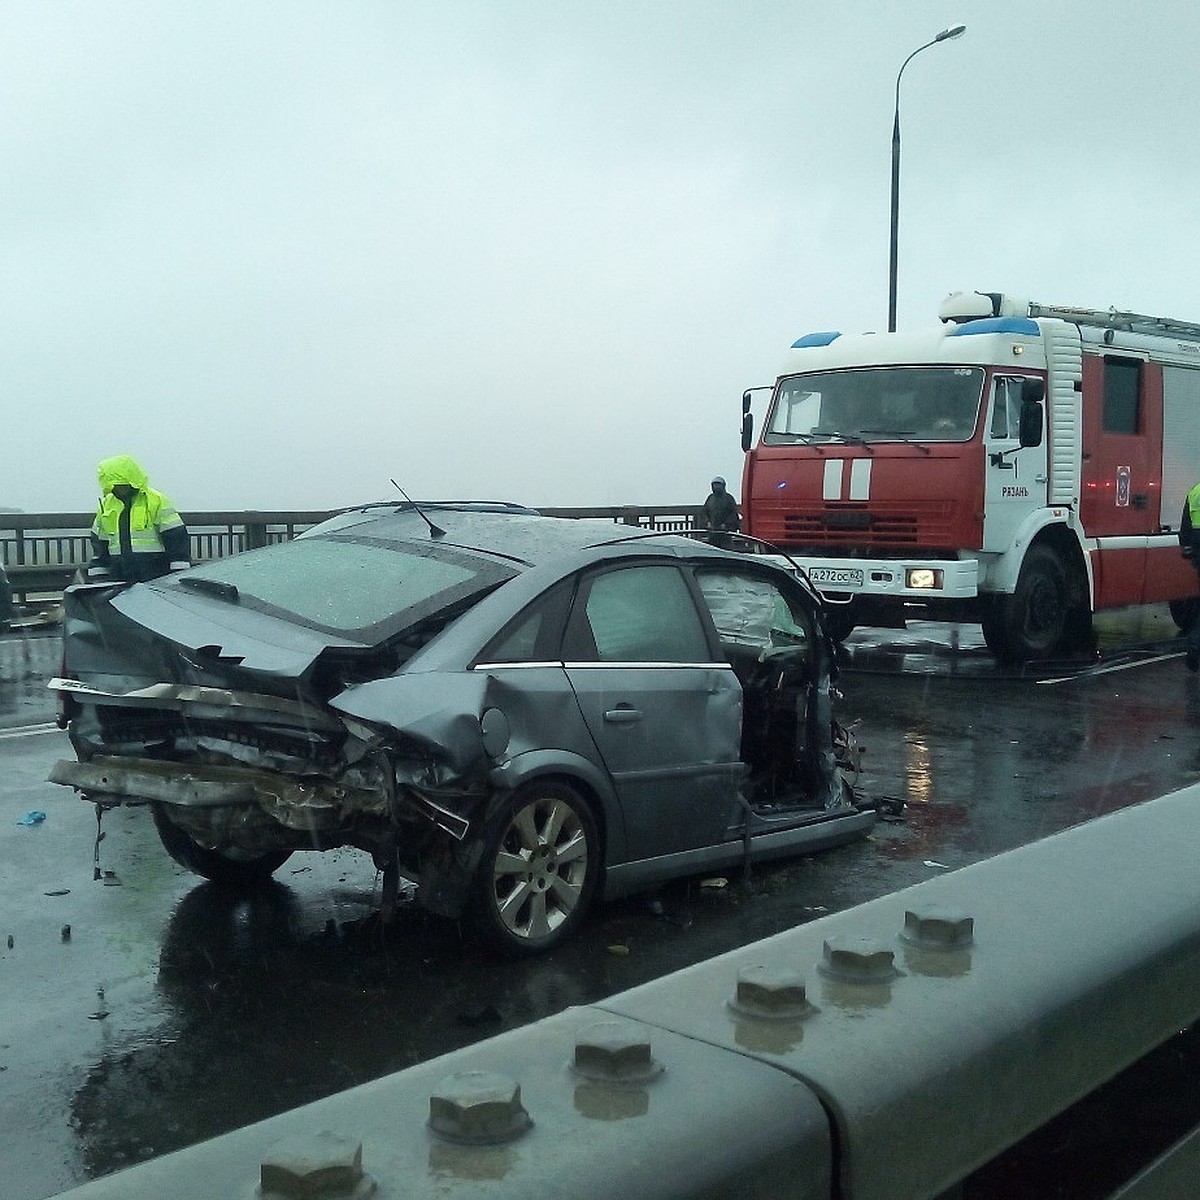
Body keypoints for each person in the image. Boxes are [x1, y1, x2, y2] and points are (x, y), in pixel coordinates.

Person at [88, 454, 191, 582]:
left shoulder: (156, 501)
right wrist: (99, 578)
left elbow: (176, 538)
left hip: (155, 577)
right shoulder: (106, 505)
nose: (120, 488)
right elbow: (99, 545)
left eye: (123, 484)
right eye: (116, 485)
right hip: (119, 578)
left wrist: (178, 575)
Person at [1180, 479, 1200, 672]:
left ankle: (1194, 646)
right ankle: (1194, 646)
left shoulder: (1195, 491)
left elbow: (1185, 523)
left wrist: (1186, 547)